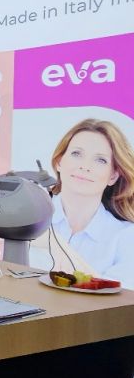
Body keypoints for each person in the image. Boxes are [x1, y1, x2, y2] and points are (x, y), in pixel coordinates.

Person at [30, 118, 134, 287]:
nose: (85, 166)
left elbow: (110, 297)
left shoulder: (127, 237)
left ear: (113, 176)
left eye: (100, 160)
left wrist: (56, 244)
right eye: (77, 154)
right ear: (59, 162)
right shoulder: (27, 216)